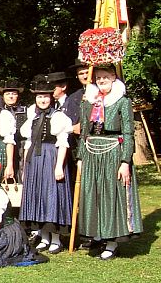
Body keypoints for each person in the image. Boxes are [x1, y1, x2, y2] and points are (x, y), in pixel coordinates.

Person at [78, 64, 143, 260]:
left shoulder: (122, 102)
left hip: (113, 152)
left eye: (106, 77)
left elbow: (128, 132)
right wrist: (80, 157)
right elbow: (83, 133)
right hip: (91, 153)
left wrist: (125, 161)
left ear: (114, 77)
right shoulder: (89, 101)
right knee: (92, 194)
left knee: (111, 195)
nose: (102, 80)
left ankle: (113, 241)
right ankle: (98, 235)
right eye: (98, 78)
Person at [19, 77, 73, 254]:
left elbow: (63, 143)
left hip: (51, 157)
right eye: (39, 97)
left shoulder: (58, 117)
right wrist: (26, 167)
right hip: (34, 160)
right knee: (37, 195)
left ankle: (56, 239)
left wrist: (59, 167)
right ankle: (43, 237)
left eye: (46, 97)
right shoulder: (32, 118)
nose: (42, 100)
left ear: (52, 98)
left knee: (52, 195)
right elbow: (28, 144)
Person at [1, 80, 28, 178]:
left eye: (14, 94)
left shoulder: (26, 111)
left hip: (21, 148)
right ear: (3, 96)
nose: (11, 96)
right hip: (4, 149)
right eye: (8, 94)